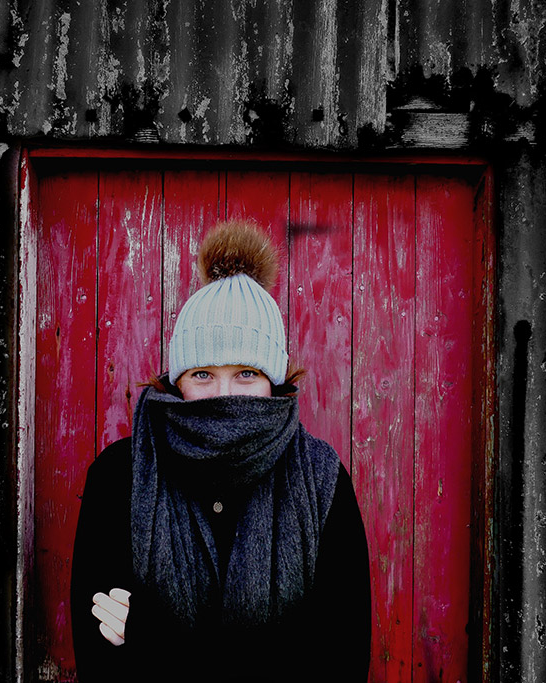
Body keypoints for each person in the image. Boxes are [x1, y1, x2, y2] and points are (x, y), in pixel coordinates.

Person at [70, 220, 370, 682]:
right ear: (176, 381)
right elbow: (102, 666)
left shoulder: (322, 478)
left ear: (274, 381)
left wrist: (157, 640)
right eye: (203, 374)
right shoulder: (120, 476)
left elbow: (341, 661)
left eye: (246, 373)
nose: (223, 394)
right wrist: (275, 651)